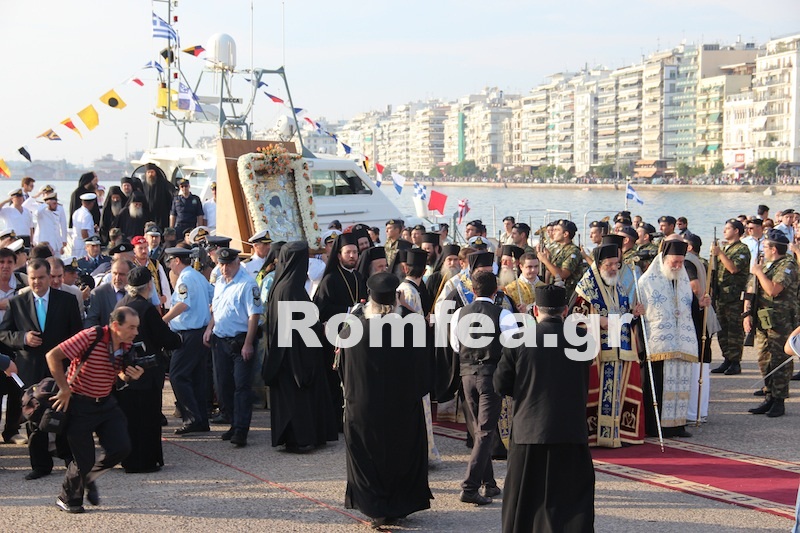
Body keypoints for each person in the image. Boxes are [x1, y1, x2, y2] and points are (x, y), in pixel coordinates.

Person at [495, 284, 595, 533]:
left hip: (530, 430)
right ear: (564, 311)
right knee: (571, 501)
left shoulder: (519, 339)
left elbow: (500, 383)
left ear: (535, 310)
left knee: (525, 499)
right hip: (570, 429)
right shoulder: (582, 340)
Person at [338, 272, 433, 528]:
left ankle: (375, 508)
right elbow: (425, 370)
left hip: (363, 407)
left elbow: (343, 368)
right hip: (401, 408)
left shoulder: (354, 325)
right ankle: (398, 505)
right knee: (399, 454)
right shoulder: (412, 325)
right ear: (396, 297)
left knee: (369, 456)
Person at [45, 307, 145, 513]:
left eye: (137, 328)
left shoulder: (126, 344)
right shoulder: (92, 335)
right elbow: (52, 355)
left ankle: (89, 477)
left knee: (122, 448)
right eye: (131, 327)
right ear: (116, 326)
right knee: (84, 459)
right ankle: (68, 497)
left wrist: (130, 375)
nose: (135, 332)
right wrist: (64, 388)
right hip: (79, 403)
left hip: (106, 402)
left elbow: (120, 374)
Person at [0, 258, 83, 479]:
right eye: (33, 278)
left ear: (49, 277)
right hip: (31, 369)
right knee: (34, 417)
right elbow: (3, 333)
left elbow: (78, 334)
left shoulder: (66, 300)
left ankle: (69, 459)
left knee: (64, 413)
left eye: (41, 278)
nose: (37, 282)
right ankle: (40, 465)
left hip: (61, 369)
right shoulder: (17, 302)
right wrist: (23, 338)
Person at [450, 270, 518, 505]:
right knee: (487, 431)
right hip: (490, 374)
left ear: (473, 290)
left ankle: (488, 484)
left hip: (467, 374)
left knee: (479, 431)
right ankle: (469, 487)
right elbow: (512, 346)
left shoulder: (459, 313)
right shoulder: (503, 314)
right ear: (496, 290)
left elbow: (455, 346)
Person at [262, 241, 337, 452]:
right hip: (296, 358)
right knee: (298, 401)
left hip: (290, 355)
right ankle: (299, 438)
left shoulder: (284, 286)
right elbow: (296, 328)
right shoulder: (290, 290)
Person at [572, 243, 645, 447]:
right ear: (599, 264)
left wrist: (633, 314)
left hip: (618, 351)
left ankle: (615, 434)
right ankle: (593, 437)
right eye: (610, 264)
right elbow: (573, 321)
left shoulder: (618, 286)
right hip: (596, 354)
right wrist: (597, 322)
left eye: (617, 264)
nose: (614, 268)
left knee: (617, 393)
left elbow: (621, 317)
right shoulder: (585, 289)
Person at [115, 267, 181, 473]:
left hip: (125, 370)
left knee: (130, 419)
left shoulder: (120, 305)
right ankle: (146, 461)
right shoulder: (146, 309)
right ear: (149, 286)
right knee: (148, 419)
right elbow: (165, 338)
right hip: (146, 371)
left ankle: (129, 459)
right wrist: (178, 339)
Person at [638, 240, 699, 438]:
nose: (678, 266)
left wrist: (701, 303)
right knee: (658, 384)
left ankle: (677, 426)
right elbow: (640, 312)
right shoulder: (647, 281)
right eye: (674, 262)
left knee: (680, 384)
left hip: (681, 342)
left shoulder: (683, 281)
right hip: (659, 342)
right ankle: (655, 426)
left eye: (681, 262)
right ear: (664, 259)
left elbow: (689, 309)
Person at [204, 247, 262, 447]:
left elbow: (254, 315)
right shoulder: (220, 282)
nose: (225, 268)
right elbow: (217, 309)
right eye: (221, 264)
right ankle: (232, 422)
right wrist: (209, 328)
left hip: (240, 341)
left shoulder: (248, 284)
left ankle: (241, 430)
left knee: (241, 387)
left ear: (238, 263)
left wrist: (248, 344)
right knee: (223, 386)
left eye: (228, 264)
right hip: (220, 339)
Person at [745, 230, 798, 418]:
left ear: (774, 249)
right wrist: (746, 314)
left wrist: (758, 272)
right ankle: (769, 395)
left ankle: (779, 400)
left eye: (765, 247)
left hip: (781, 321)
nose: (763, 250)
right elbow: (751, 289)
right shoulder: (767, 264)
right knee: (764, 358)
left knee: (780, 361)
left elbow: (773, 289)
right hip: (763, 319)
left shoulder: (788, 265)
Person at [162, 247, 213, 434]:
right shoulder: (198, 276)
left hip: (189, 334)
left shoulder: (185, 278)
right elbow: (212, 297)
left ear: (176, 260)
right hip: (199, 332)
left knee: (177, 376)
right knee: (196, 378)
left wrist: (164, 320)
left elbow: (183, 303)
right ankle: (201, 420)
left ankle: (192, 418)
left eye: (169, 262)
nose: (169, 266)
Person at [710, 219, 750, 376]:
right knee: (722, 330)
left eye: (728, 229)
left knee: (734, 330)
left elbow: (733, 268)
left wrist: (720, 253)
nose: (724, 231)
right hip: (722, 296)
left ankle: (735, 362)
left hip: (734, 296)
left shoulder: (742, 249)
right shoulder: (726, 248)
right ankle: (726, 358)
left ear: (737, 231)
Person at [538, 219, 582, 299]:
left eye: (557, 230)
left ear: (565, 234)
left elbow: (562, 275)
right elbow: (549, 270)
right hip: (552, 290)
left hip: (566, 293)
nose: (553, 232)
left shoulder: (573, 251)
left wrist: (545, 261)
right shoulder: (554, 247)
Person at [84, 258, 131, 328]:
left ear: (129, 274)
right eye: (115, 273)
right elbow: (91, 321)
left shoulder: (135, 292)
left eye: (122, 274)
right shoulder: (99, 293)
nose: (117, 278)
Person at [33, 191, 68, 257]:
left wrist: (63, 240)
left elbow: (63, 225)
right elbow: (37, 213)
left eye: (56, 203)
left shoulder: (59, 209)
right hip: (45, 243)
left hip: (57, 243)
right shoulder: (42, 211)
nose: (56, 205)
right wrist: (45, 204)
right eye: (54, 204)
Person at [141, 163, 176, 230]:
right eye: (148, 172)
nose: (150, 174)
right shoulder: (143, 185)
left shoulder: (164, 183)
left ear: (155, 172)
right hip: (148, 215)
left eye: (152, 172)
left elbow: (173, 193)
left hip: (162, 215)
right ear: (146, 174)